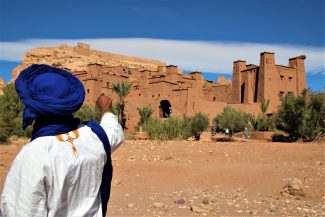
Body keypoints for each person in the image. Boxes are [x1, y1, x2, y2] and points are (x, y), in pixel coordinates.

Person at [0, 64, 124, 217]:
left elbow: (21, 211)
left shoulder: (34, 154)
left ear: (33, 107)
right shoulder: (95, 137)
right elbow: (114, 131)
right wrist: (105, 109)